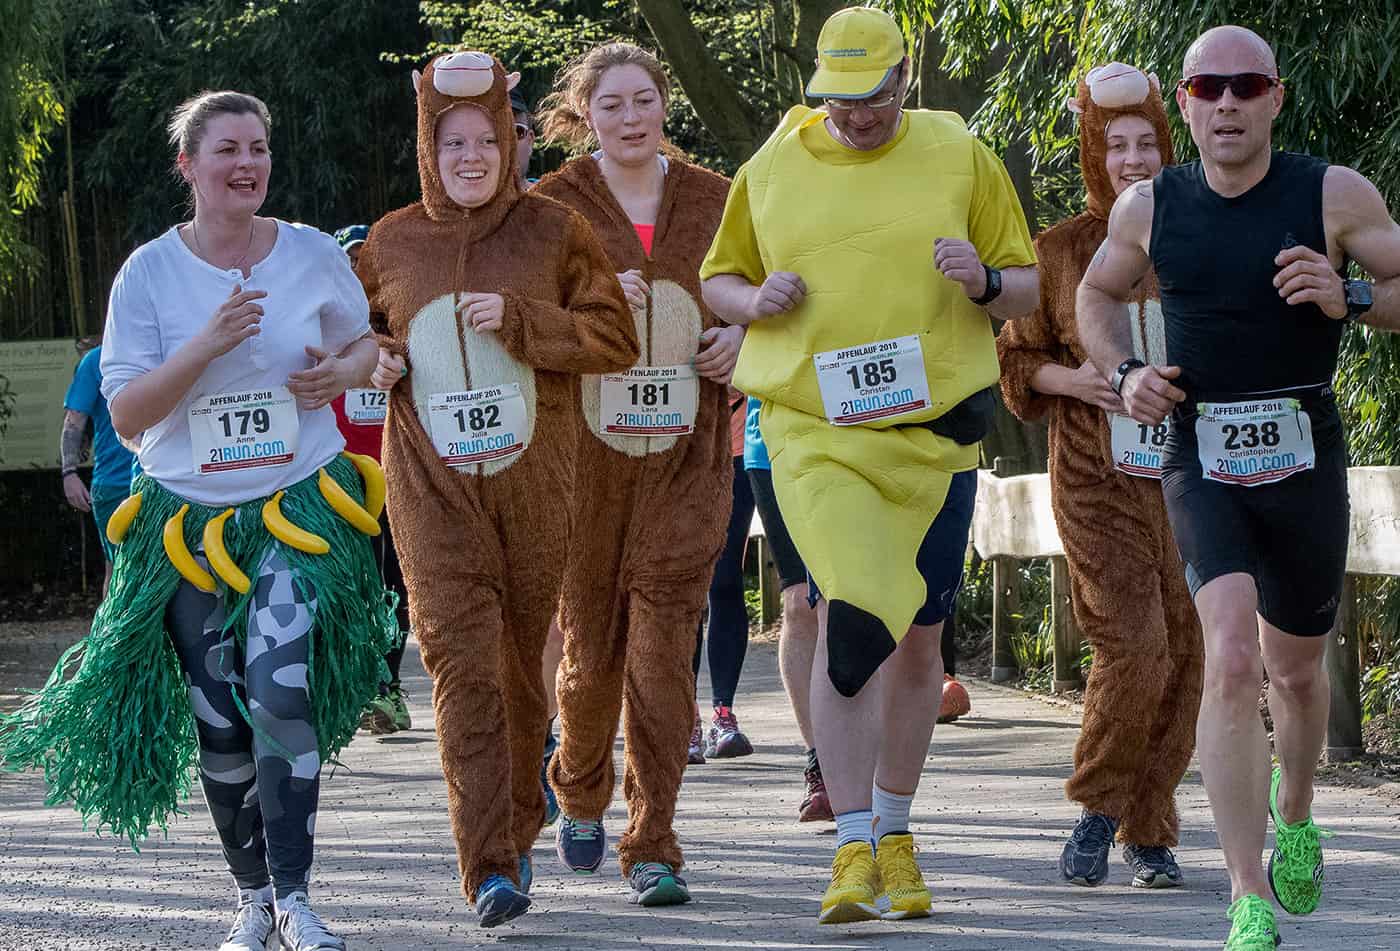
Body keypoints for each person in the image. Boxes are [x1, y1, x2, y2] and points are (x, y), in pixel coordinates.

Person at [2, 90, 396, 951]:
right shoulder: (147, 272)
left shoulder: (310, 254)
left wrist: (343, 370)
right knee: (219, 717)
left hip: (297, 507)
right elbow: (133, 412)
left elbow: (366, 343)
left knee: (282, 693)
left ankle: (295, 894)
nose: (246, 163)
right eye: (227, 150)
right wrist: (207, 344)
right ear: (189, 166)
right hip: (185, 521)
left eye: (258, 147)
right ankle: (250, 897)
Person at [700, 6, 1037, 925]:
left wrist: (984, 282)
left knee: (922, 637)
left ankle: (894, 828)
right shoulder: (771, 167)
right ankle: (850, 844)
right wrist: (753, 297)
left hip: (933, 433)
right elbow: (717, 278)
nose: (855, 117)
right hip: (816, 429)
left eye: (873, 98)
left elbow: (1028, 281)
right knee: (849, 610)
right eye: (837, 102)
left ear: (905, 79)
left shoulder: (959, 152)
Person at [1076, 25, 1400, 949]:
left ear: (1274, 98)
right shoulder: (1149, 206)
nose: (1226, 103)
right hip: (1197, 445)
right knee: (1229, 652)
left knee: (1296, 673)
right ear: (1184, 101)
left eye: (1245, 86)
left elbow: (1399, 278)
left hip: (1304, 450)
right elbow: (1094, 299)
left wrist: (1357, 298)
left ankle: (1294, 809)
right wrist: (1129, 370)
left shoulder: (1331, 193)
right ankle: (1246, 892)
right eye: (1208, 88)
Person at [358, 52, 637, 927]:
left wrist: (523, 323)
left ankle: (517, 824)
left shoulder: (555, 231)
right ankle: (486, 868)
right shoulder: (390, 242)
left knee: (519, 666)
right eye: (453, 142)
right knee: (459, 663)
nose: (473, 157)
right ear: (427, 148)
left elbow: (614, 339)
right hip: (431, 490)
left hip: (538, 484)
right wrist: (375, 357)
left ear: (515, 142)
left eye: (488, 139)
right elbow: (354, 337)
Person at [533, 41, 743, 907]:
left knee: (662, 652)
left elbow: (760, 295)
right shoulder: (549, 207)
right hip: (585, 464)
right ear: (584, 113)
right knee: (592, 656)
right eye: (610, 104)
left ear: (665, 105)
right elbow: (521, 327)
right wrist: (584, 310)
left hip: (689, 457)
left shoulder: (719, 199)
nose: (629, 117)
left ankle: (653, 839)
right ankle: (578, 783)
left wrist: (745, 340)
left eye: (642, 100)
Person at [998, 62, 1204, 891]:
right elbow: (1016, 359)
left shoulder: (1200, 230)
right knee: (1136, 645)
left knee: (1188, 654)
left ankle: (1150, 829)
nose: (1131, 159)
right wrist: (1072, 379)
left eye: (1145, 142)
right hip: (1095, 478)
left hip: (1193, 478)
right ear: (1093, 151)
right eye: (1114, 144)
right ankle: (1095, 807)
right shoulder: (1059, 251)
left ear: (1166, 146)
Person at [328, 225, 413, 735]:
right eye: (350, 260)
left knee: (395, 588)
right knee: (347, 586)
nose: (358, 271)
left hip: (398, 475)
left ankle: (387, 691)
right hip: (340, 481)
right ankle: (346, 688)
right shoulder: (322, 326)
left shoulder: (399, 321)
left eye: (366, 260)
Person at [743, 394, 830, 818]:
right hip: (774, 441)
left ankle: (864, 759)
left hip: (857, 433)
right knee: (801, 602)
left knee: (850, 602)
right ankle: (820, 763)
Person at [691, 387, 756, 761]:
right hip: (677, 441)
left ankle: (723, 714)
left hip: (738, 446)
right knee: (682, 588)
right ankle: (686, 718)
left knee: (725, 579)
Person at [61, 338, 136, 595]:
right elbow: (74, 420)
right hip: (117, 483)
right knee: (118, 570)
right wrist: (69, 472)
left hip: (169, 480)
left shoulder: (168, 349)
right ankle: (112, 635)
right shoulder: (96, 360)